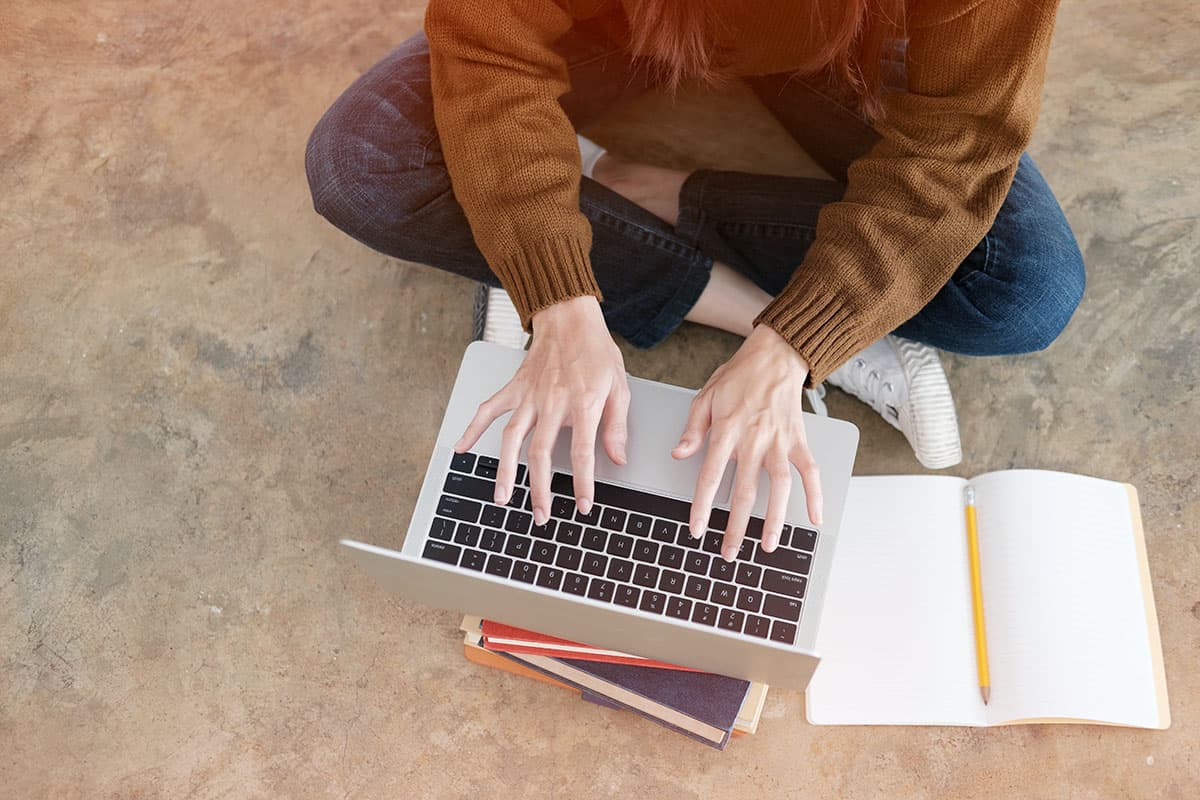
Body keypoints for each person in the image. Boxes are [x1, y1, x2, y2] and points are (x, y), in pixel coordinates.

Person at [305, 0, 1085, 560]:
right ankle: (604, 240)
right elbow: (489, 44)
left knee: (1024, 291)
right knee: (361, 164)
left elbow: (960, 141)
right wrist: (563, 306)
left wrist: (793, 348)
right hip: (616, 21)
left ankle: (644, 203)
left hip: (848, 38)